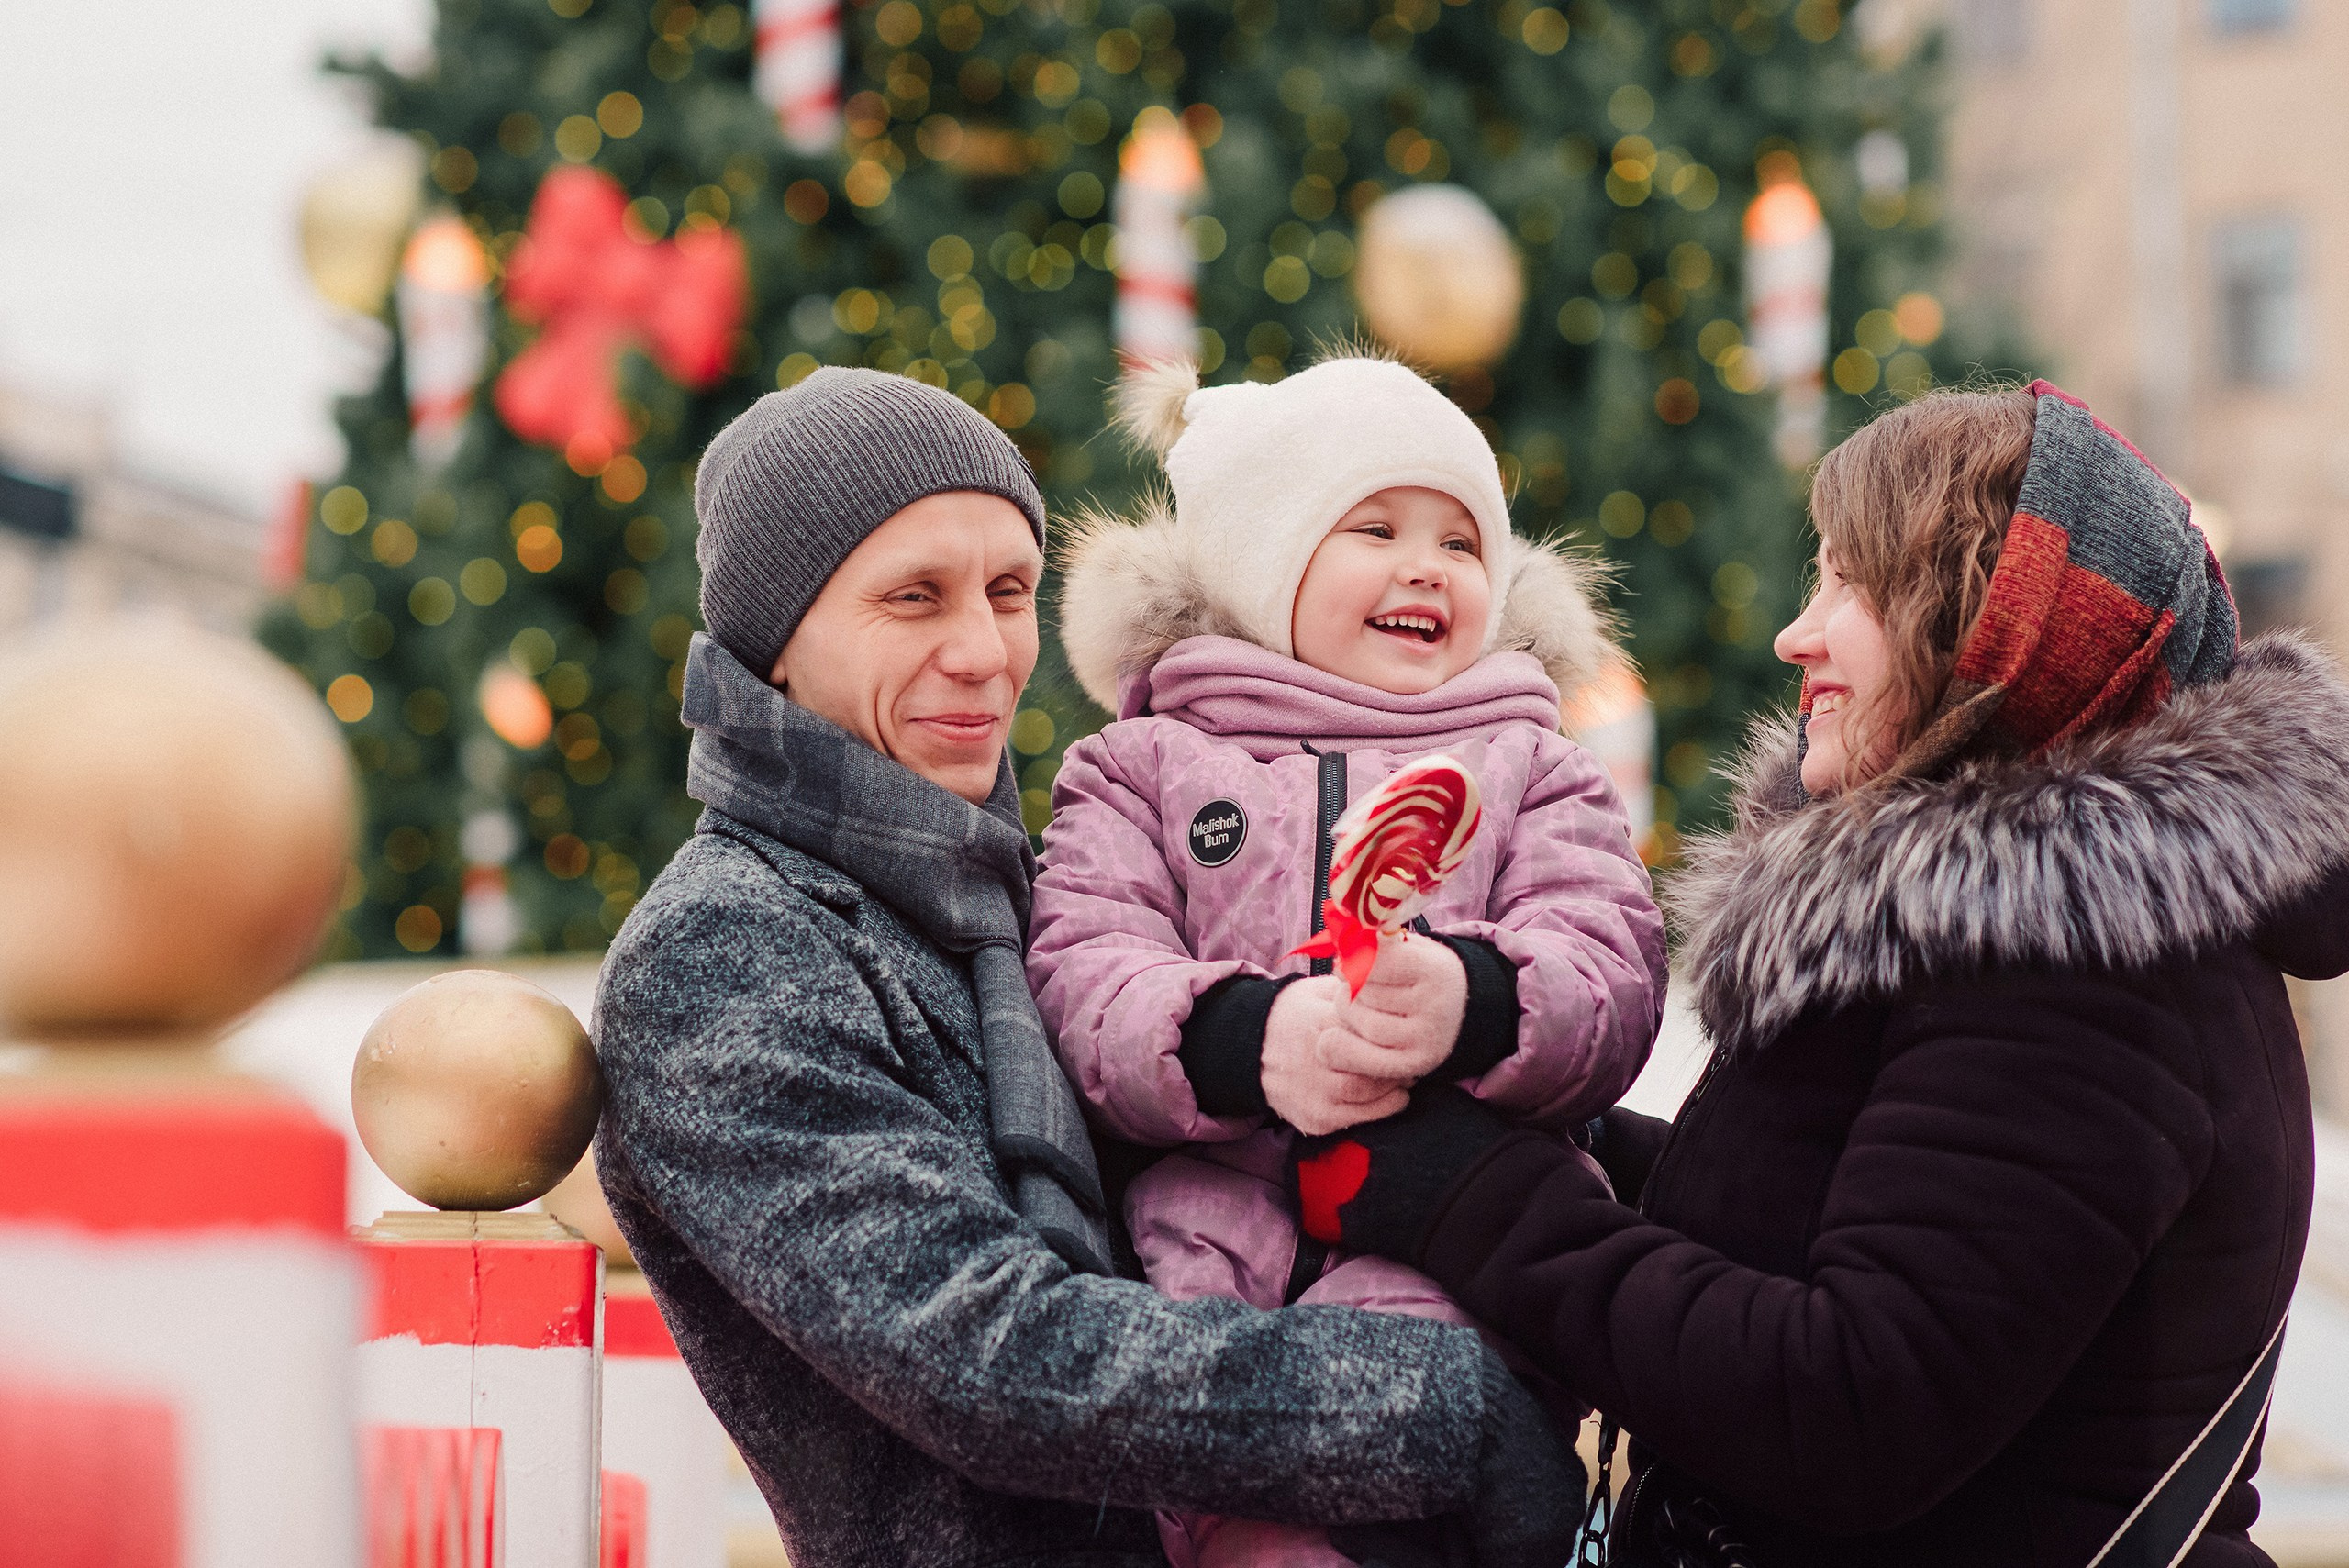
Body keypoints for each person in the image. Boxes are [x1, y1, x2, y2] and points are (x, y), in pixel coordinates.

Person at [1286, 381, 2349, 1566]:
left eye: (1855, 586)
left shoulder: (2086, 971)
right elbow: (1801, 1215)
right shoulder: (2011, 935)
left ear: (1986, 630)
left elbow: (1849, 1407)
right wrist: (1545, 1134)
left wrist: (1473, 1196)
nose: (1799, 633)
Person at [590, 366, 1583, 1568]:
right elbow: (988, 1356)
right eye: (913, 598)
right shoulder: (728, 948)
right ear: (775, 642)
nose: (983, 652)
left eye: (1009, 592)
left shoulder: (1006, 888)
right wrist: (1442, 1407)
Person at [1030, 354, 1667, 1566]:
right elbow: (1085, 970)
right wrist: (1247, 1037)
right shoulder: (1144, 765)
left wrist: (1470, 1001)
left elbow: (1610, 969)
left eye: (1460, 542)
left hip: (1448, 1272)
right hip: (1202, 1264)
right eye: (1374, 529)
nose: (1426, 566)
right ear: (1264, 564)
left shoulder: (1531, 767)